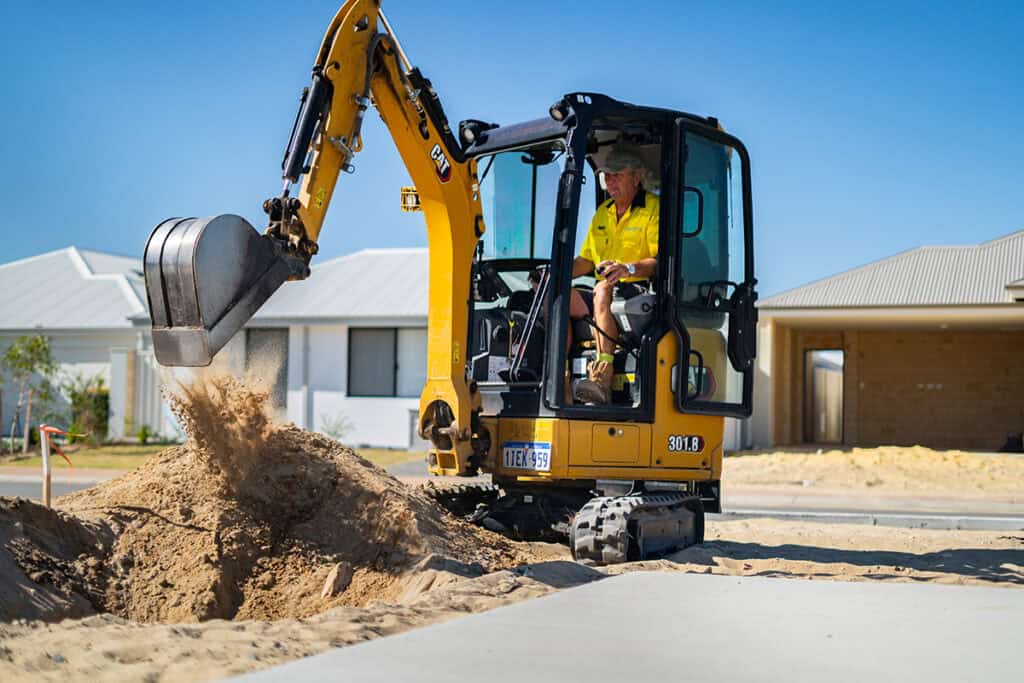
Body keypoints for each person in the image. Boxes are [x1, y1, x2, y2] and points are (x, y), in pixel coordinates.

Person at [570, 147, 659, 404]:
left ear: (636, 177)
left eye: (616, 175)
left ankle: (603, 375)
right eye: (606, 176)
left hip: (639, 288)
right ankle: (561, 378)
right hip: (607, 287)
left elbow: (659, 261)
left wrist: (627, 268)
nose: (609, 182)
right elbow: (587, 260)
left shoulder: (653, 209)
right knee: (556, 297)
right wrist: (555, 275)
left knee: (601, 291)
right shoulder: (603, 213)